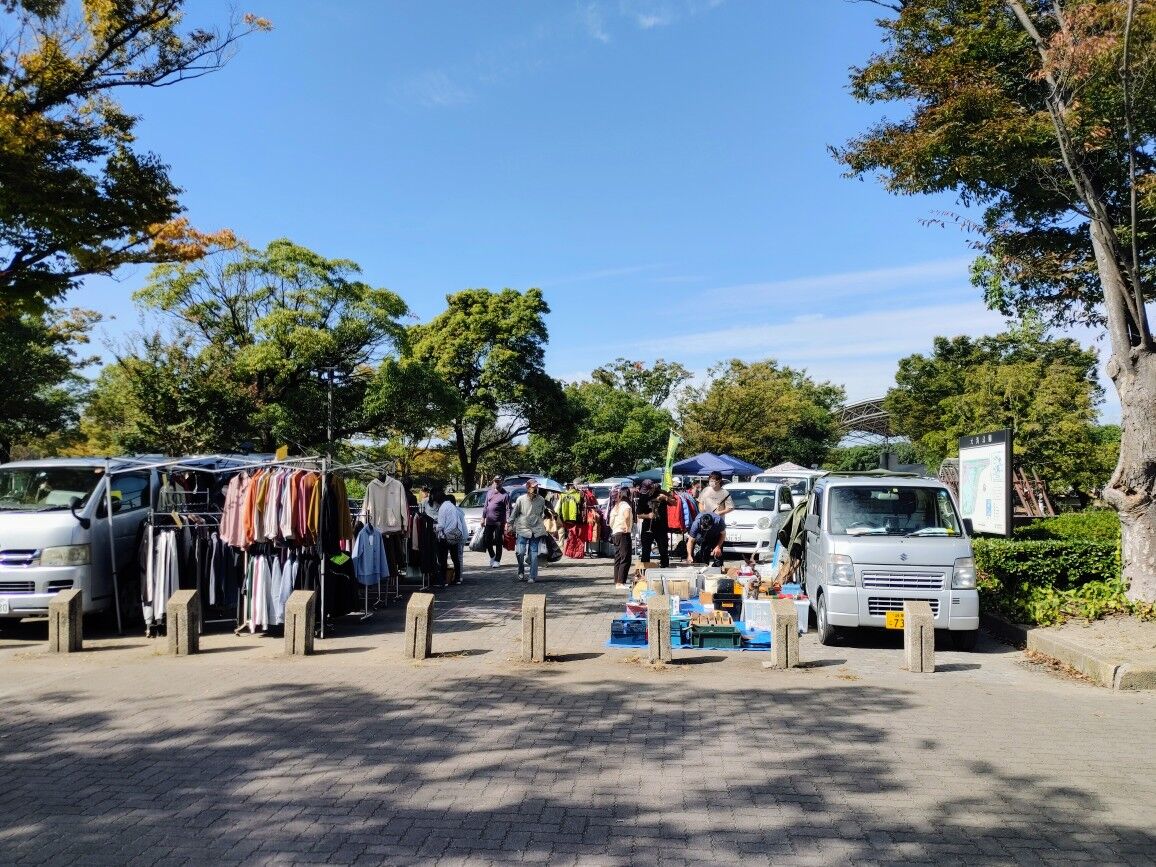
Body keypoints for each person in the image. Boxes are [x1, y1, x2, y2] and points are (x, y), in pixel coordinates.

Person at [507, 479, 548, 583]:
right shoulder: (521, 499)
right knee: (520, 552)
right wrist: (510, 524)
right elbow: (514, 513)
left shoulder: (541, 500)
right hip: (522, 528)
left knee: (534, 554)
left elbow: (542, 514)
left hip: (536, 529)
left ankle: (532, 576)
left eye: (537, 487)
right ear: (528, 488)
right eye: (533, 487)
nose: (536, 489)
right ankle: (521, 570)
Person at [434, 487, 467, 586]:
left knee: (443, 559)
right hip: (455, 534)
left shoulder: (442, 508)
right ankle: (457, 578)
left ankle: (443, 580)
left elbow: (441, 525)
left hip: (446, 536)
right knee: (455, 558)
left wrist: (433, 527)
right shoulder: (452, 506)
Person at [609, 483, 634, 587]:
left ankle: (617, 581)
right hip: (623, 533)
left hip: (616, 532)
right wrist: (627, 527)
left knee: (618, 558)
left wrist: (615, 528)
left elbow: (610, 521)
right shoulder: (626, 505)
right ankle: (621, 582)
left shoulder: (616, 506)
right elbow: (627, 516)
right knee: (625, 558)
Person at [482, 476, 510, 568]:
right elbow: (486, 506)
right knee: (487, 540)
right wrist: (483, 518)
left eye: (498, 481)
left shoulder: (505, 495)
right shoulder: (489, 492)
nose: (497, 483)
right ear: (493, 482)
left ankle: (497, 560)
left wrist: (507, 522)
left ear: (502, 482)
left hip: (499, 521)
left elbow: (508, 509)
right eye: (495, 481)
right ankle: (492, 556)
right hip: (489, 520)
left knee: (498, 541)